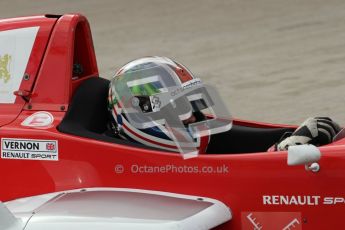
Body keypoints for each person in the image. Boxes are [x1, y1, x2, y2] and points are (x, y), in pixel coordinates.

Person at [108, 56, 341, 153]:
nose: (193, 116)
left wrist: (283, 142)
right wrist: (278, 157)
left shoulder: (191, 146)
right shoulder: (150, 176)